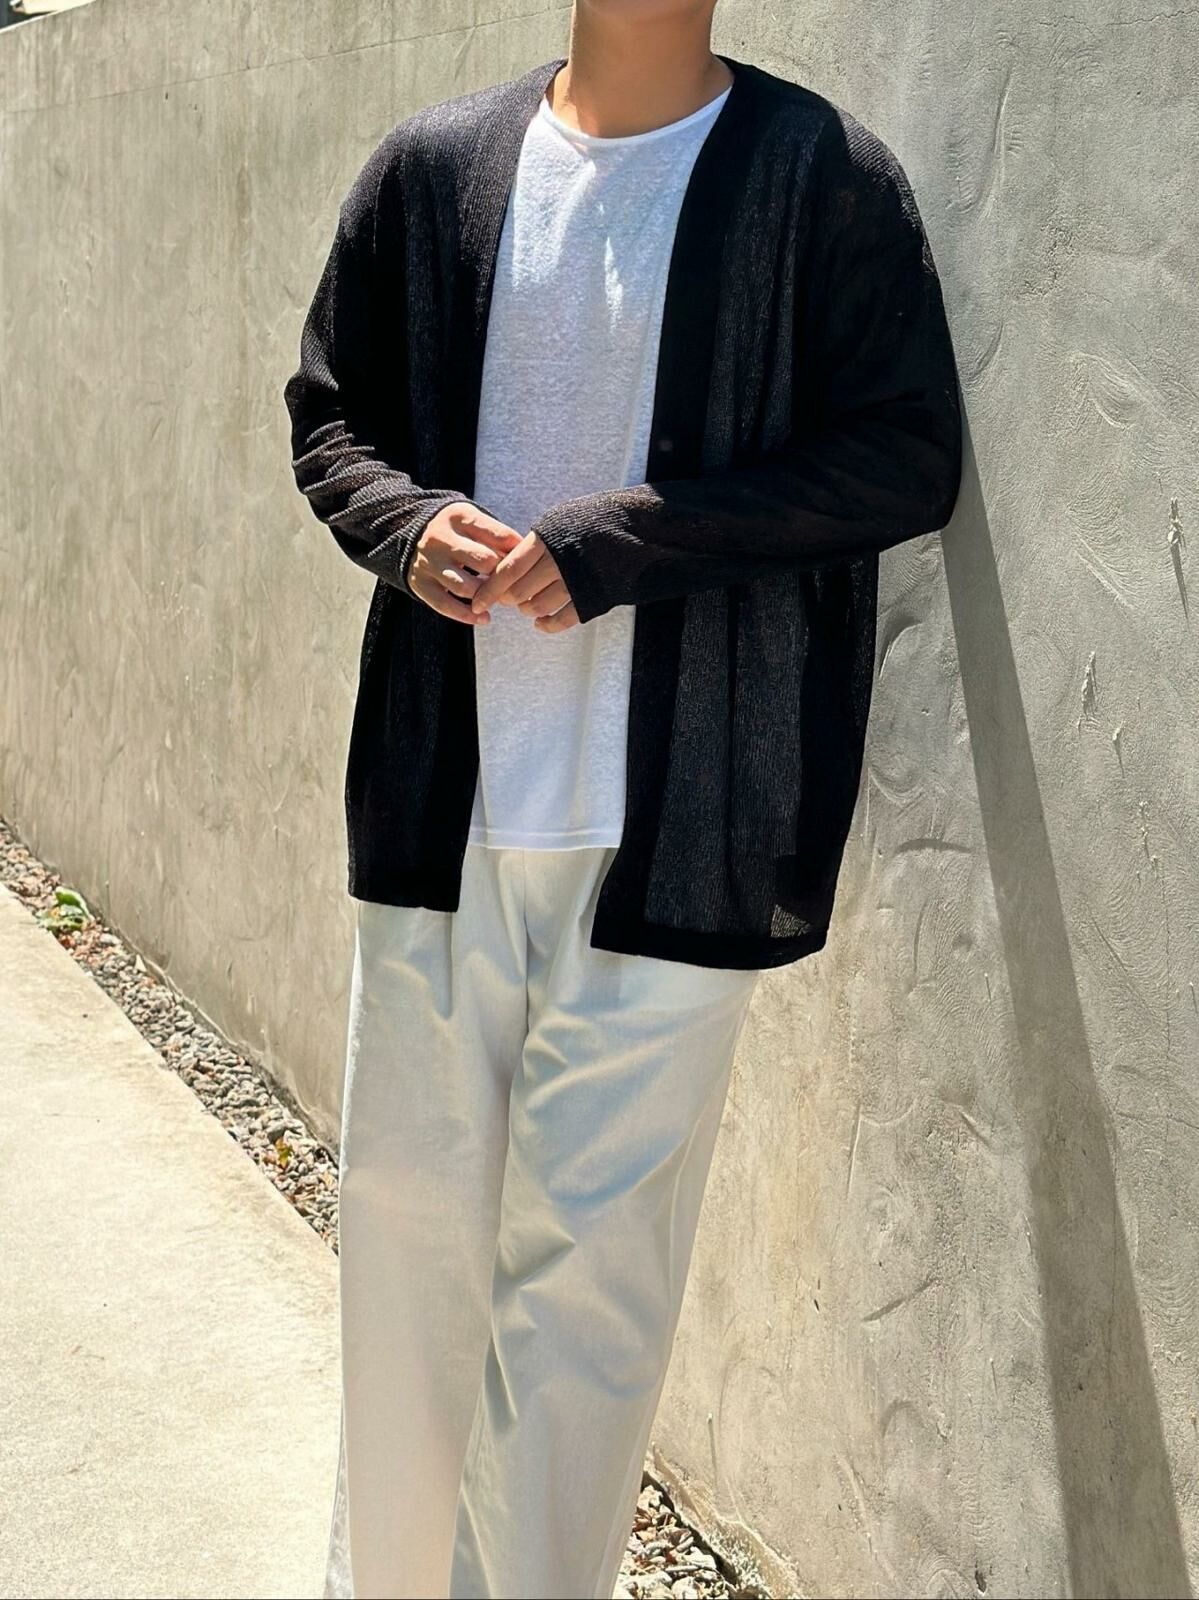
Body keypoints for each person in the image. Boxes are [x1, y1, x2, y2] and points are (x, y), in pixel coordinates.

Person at [282, 0, 962, 1593]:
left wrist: (629, 542)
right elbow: (330, 417)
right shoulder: (433, 168)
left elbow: (904, 457)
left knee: (583, 1304)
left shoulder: (820, 175)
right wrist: (407, 526)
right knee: (404, 1254)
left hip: (677, 833)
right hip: (444, 820)